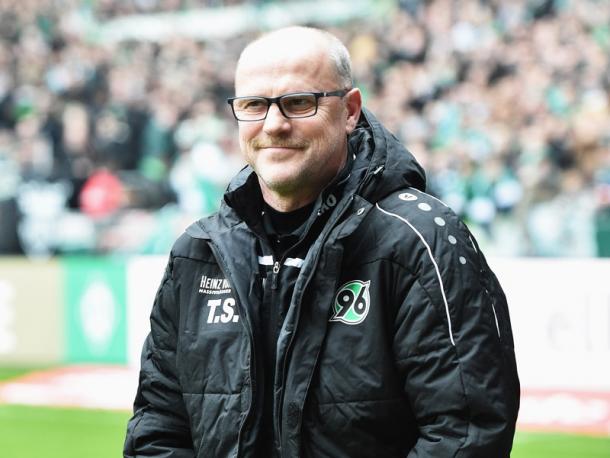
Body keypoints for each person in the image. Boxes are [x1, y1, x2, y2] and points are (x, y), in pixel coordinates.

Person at [124, 26, 520, 458]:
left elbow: (465, 435)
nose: (274, 124)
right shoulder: (198, 253)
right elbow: (158, 431)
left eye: (298, 102)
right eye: (254, 105)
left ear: (350, 111)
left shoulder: (420, 241)